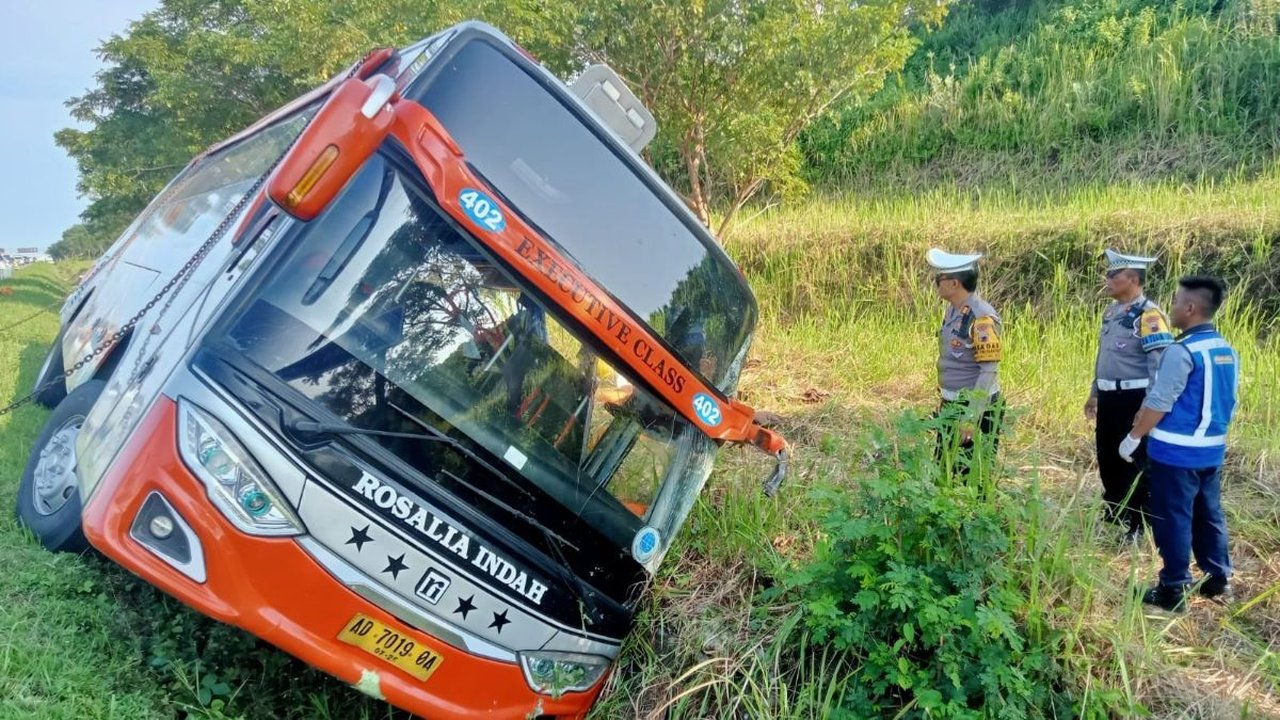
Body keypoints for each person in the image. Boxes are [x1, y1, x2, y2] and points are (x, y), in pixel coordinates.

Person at [1119, 276, 1238, 611]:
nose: (1170, 308)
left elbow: (1159, 402)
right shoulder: (1225, 349)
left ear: (1190, 308)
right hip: (1212, 449)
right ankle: (1218, 579)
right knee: (1209, 513)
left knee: (1173, 517)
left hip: (1176, 452)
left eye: (1175, 302)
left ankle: (1173, 588)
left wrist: (1133, 437)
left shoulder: (1181, 351)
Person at [1084, 250, 1173, 544]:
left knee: (1134, 461)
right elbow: (1104, 357)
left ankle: (1137, 525)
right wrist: (1094, 393)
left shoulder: (1149, 316)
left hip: (1134, 398)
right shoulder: (1111, 313)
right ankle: (1116, 515)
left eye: (1114, 275)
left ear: (1133, 279)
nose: (1107, 280)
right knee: (1108, 457)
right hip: (1110, 397)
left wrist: (1148, 406)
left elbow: (1160, 366)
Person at [927, 248, 1004, 475]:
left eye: (938, 279)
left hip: (973, 408)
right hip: (953, 404)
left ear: (954, 283)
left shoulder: (981, 318)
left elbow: (988, 371)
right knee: (944, 470)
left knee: (971, 477)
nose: (936, 284)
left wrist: (972, 416)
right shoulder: (954, 311)